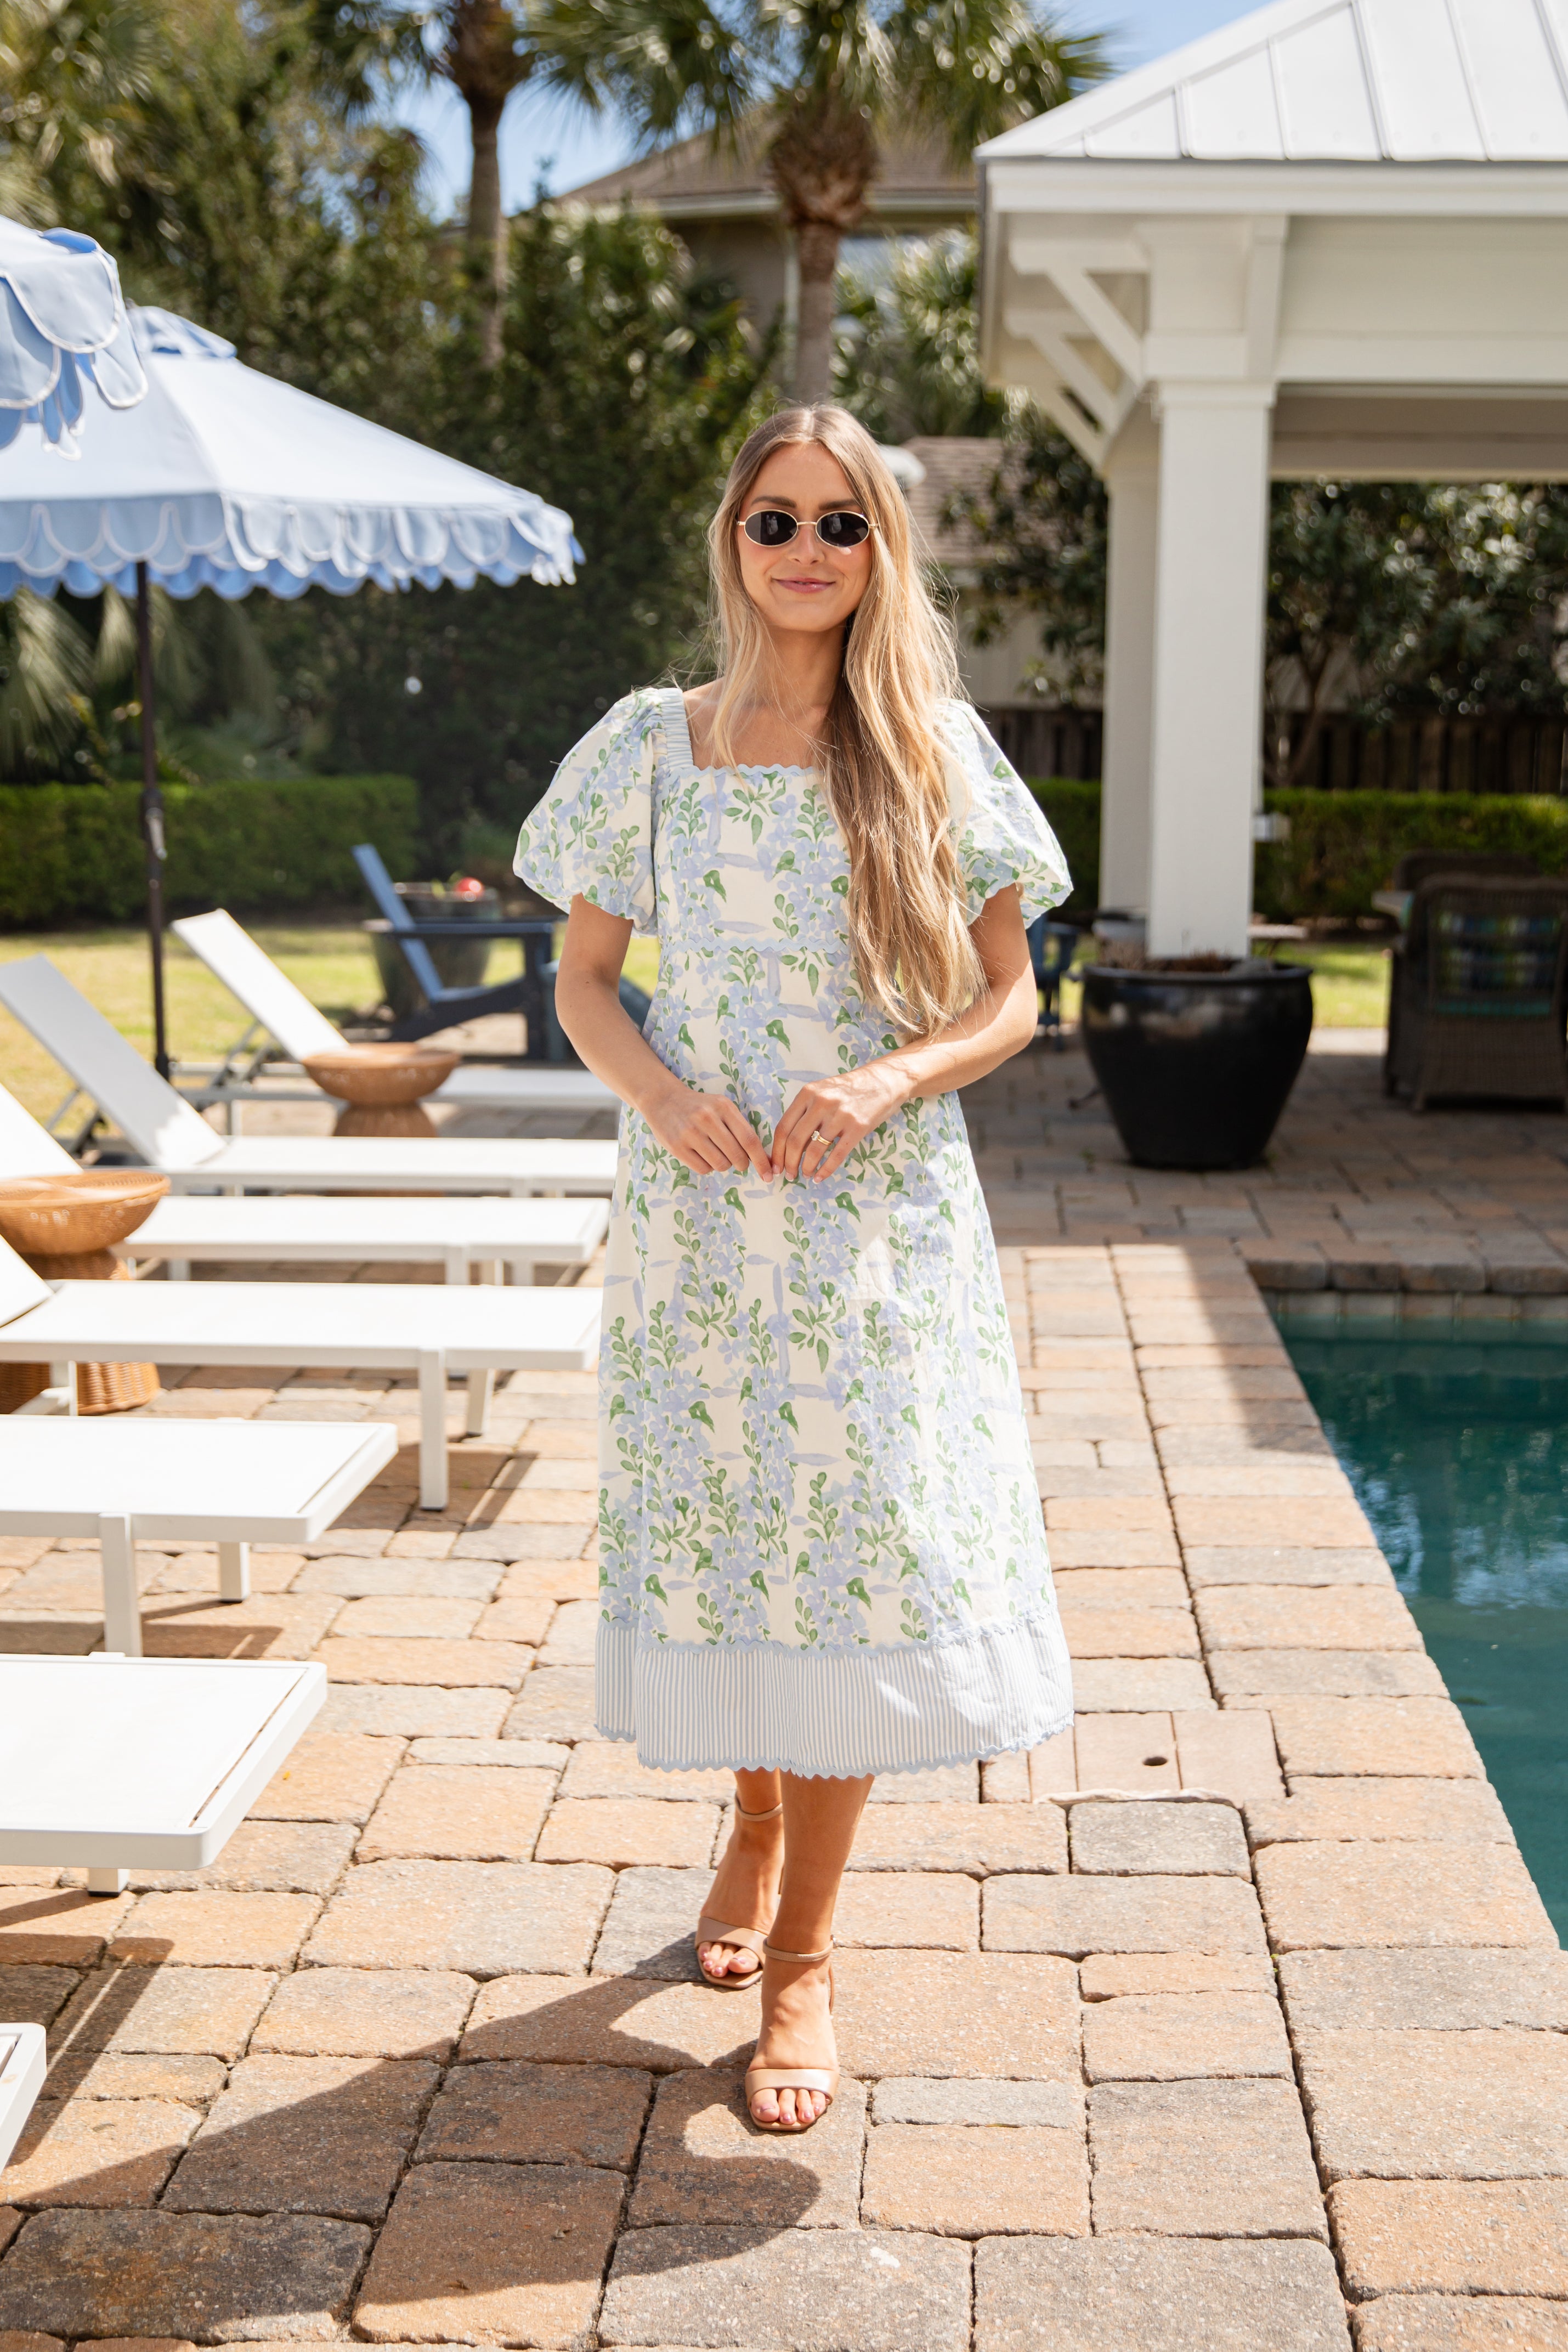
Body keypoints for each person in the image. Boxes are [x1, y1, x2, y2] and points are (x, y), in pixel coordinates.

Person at [515, 404, 1072, 2135]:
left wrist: (887, 1076)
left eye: (843, 525)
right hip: (697, 1227)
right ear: (731, 538)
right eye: (778, 522)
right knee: (747, 1542)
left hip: (875, 1229)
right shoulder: (643, 746)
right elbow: (586, 985)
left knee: (856, 1558)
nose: (808, 554)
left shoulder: (934, 748)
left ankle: (810, 1960)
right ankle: (753, 1822)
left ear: (879, 551)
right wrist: (669, 1096)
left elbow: (1006, 1001)